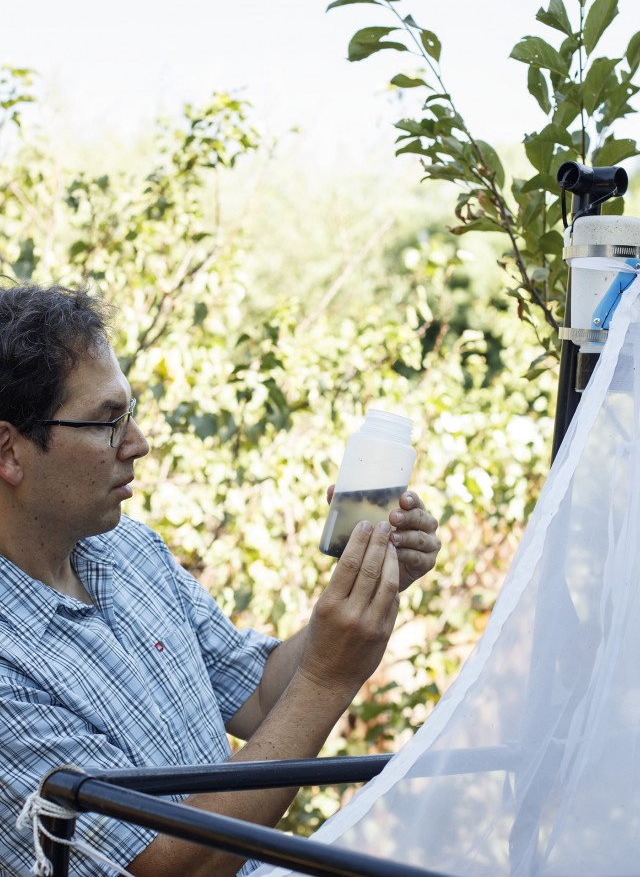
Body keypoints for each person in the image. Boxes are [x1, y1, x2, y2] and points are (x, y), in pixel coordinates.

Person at [0, 283, 441, 877]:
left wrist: (362, 585)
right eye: (107, 424)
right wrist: (331, 675)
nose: (138, 444)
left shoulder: (127, 550)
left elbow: (260, 698)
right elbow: (168, 871)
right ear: (9, 451)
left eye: (130, 414)